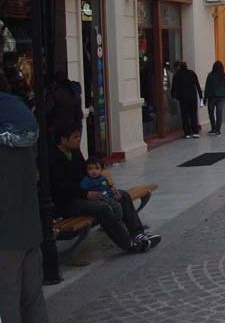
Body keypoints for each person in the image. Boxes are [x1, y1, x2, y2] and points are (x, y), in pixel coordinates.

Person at [51, 122, 161, 253]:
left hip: (88, 192)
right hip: (67, 202)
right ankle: (128, 243)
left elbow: (88, 174)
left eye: (79, 136)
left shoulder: (75, 152)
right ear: (63, 139)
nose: (78, 140)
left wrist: (109, 188)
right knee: (102, 208)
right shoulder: (52, 157)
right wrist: (87, 194)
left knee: (123, 196)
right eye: (75, 137)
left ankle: (138, 234)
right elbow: (60, 187)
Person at [0, 72, 49, 323]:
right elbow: (36, 174)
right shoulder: (22, 116)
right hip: (30, 226)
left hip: (5, 233)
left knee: (7, 300)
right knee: (32, 298)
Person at [44, 70, 83, 140]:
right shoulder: (74, 92)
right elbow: (79, 114)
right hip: (74, 126)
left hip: (59, 128)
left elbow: (46, 109)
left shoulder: (55, 93)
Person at [171, 62, 203, 139]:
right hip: (192, 97)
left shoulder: (177, 75)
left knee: (185, 115)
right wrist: (201, 96)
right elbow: (197, 85)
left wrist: (173, 96)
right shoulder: (192, 73)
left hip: (183, 97)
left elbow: (173, 87)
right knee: (193, 114)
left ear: (179, 67)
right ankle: (195, 132)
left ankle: (187, 133)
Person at [203, 61, 225, 136]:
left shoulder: (210, 75)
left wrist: (205, 98)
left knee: (211, 113)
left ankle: (213, 128)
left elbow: (207, 87)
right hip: (221, 96)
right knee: (219, 113)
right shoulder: (224, 75)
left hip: (211, 96)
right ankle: (218, 129)